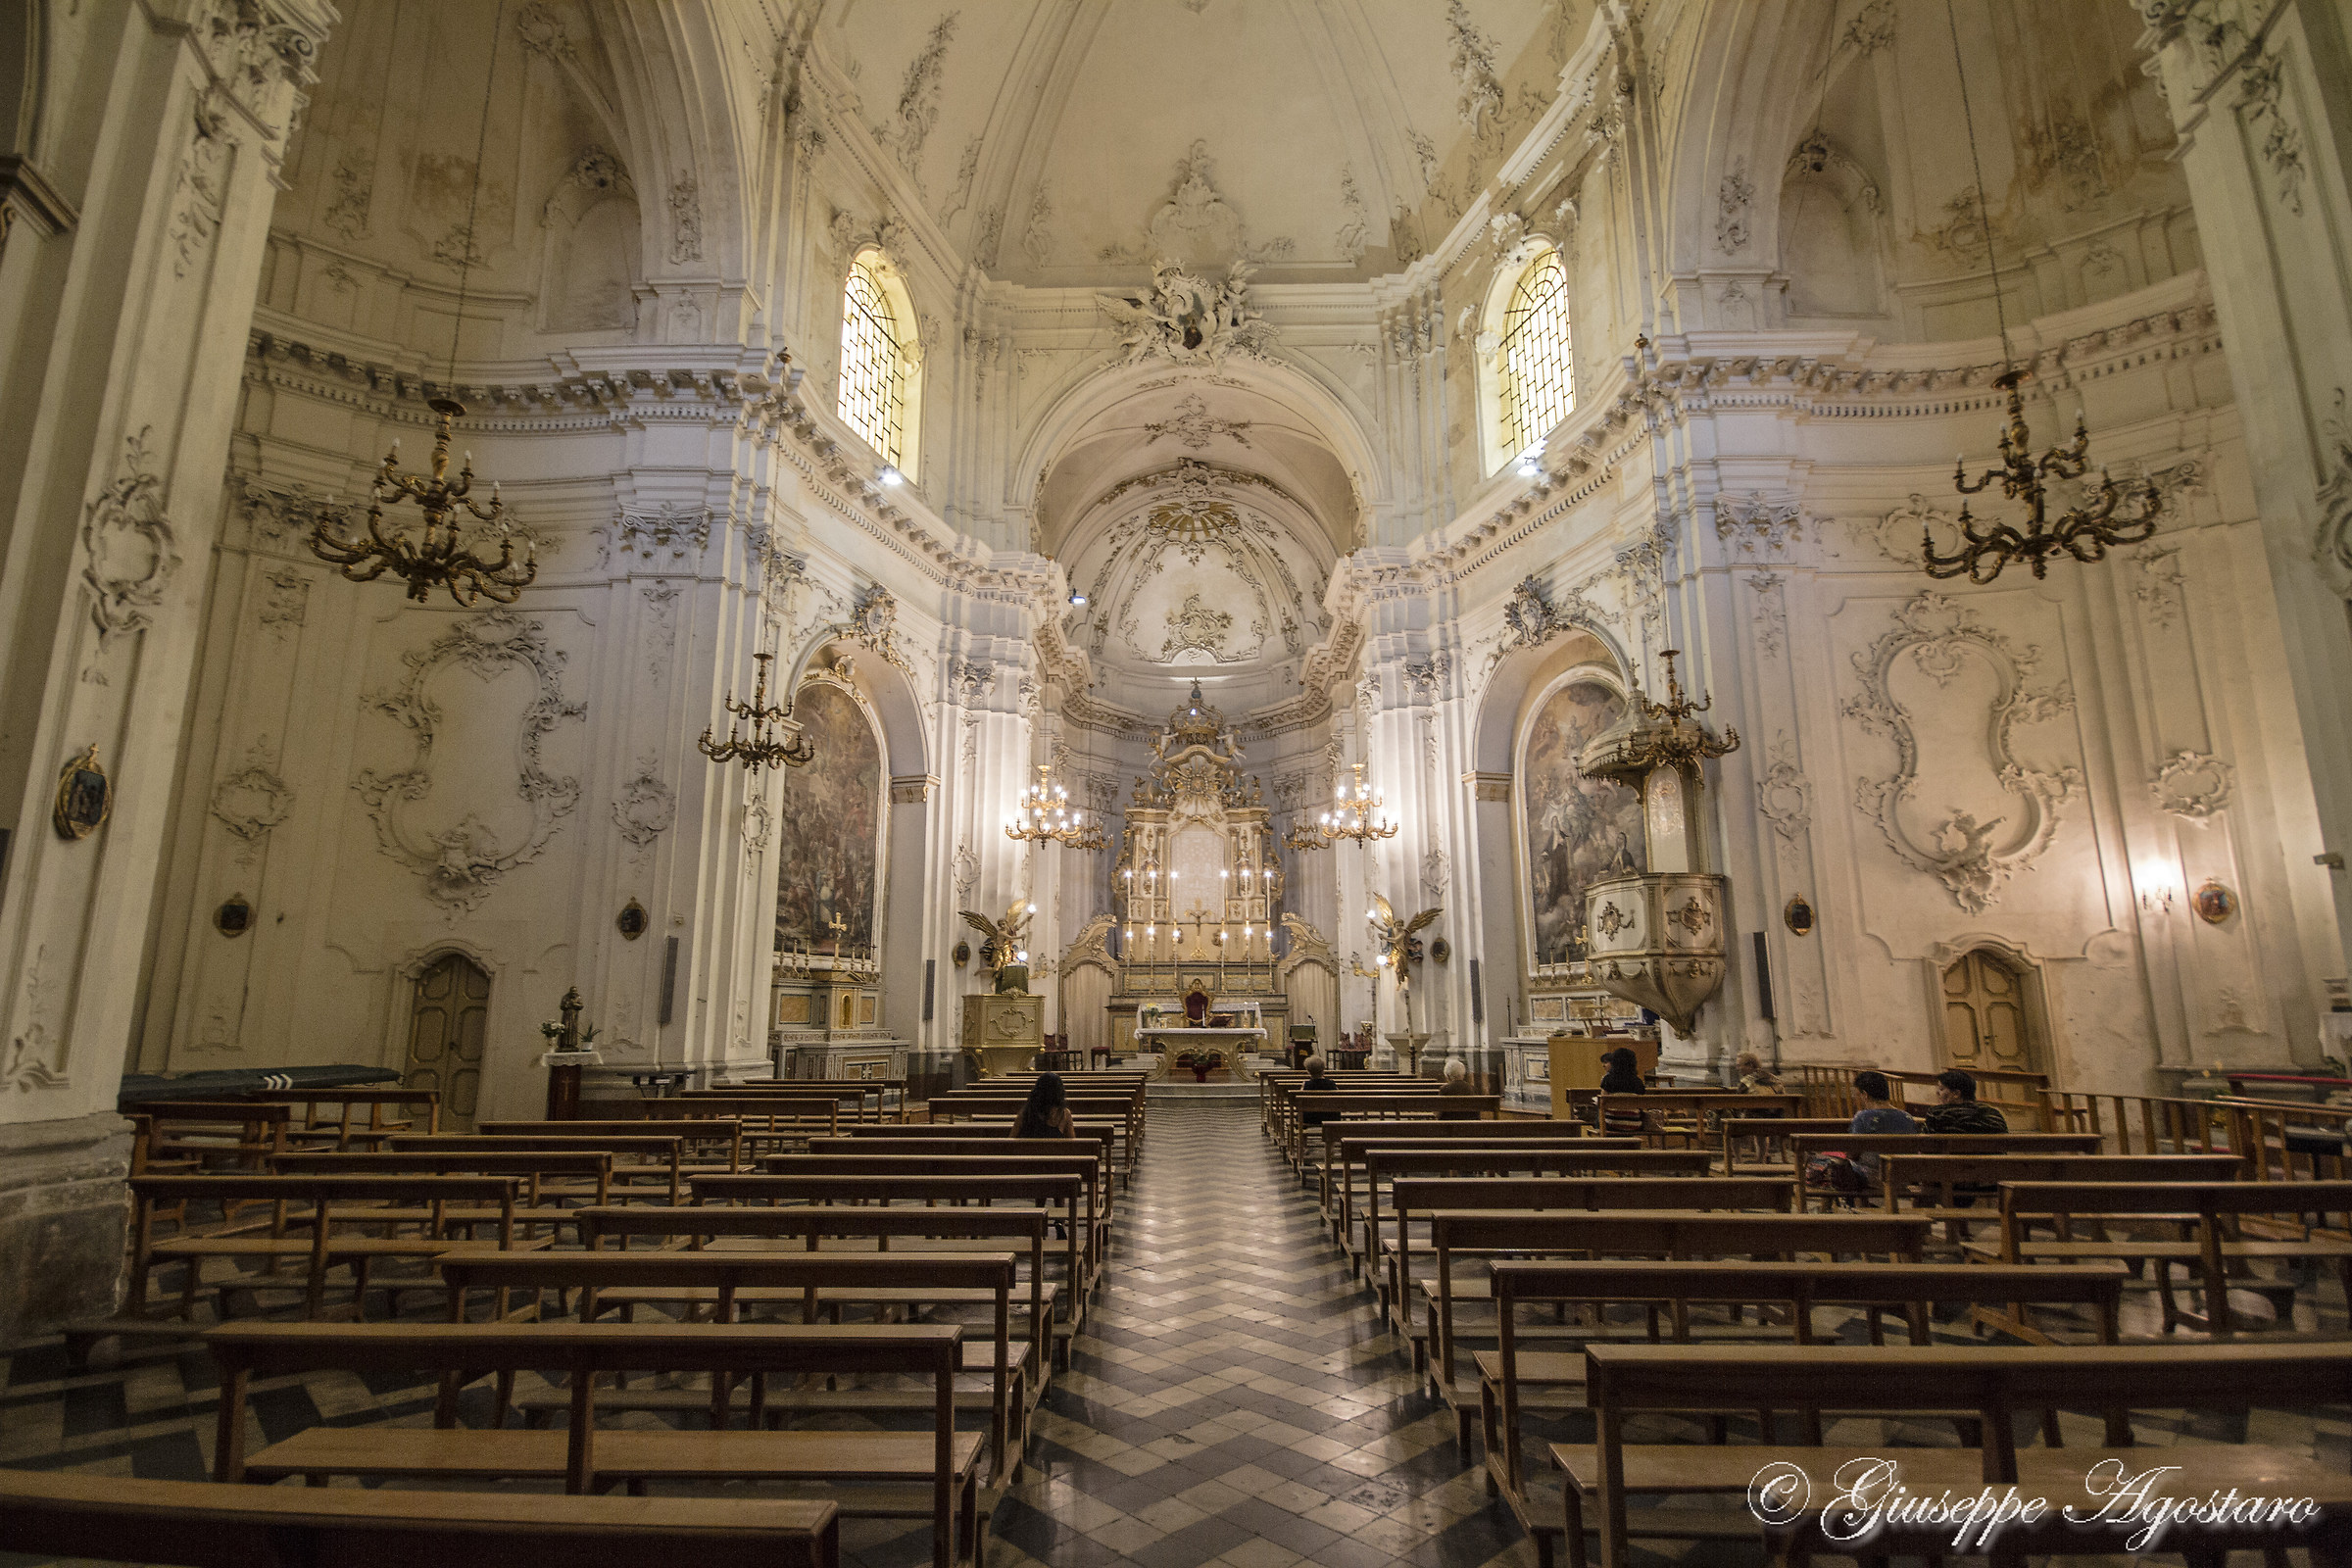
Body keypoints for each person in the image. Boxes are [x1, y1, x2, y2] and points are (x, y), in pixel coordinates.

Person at [1919, 1068, 2008, 1134]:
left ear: (1956, 1094)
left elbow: (1926, 1145)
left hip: (1950, 1159)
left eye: (1941, 1089)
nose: (1937, 1093)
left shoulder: (1937, 1114)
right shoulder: (1993, 1114)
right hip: (1993, 1160)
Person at [1011, 1072, 1075, 1140]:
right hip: (1054, 1150)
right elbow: (1072, 1144)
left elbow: (1011, 1140)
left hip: (1029, 1150)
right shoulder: (1064, 1114)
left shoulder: (1026, 1112)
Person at [1299, 1054, 1338, 1126]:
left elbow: (1301, 1101)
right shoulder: (1331, 1084)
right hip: (1330, 1117)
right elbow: (1338, 1100)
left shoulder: (1306, 1085)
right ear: (1323, 1069)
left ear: (1308, 1071)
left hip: (1310, 1118)